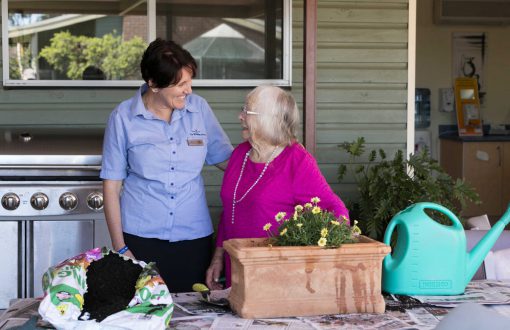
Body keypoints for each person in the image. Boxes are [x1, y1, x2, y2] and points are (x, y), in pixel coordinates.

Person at [100, 38, 233, 292]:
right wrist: (121, 247)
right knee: (141, 314)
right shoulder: (123, 118)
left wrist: (269, 161)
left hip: (194, 237)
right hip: (140, 238)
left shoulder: (199, 109)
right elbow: (111, 187)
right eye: (181, 84)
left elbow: (227, 160)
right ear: (153, 84)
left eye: (189, 82)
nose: (189, 90)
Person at [205, 85, 349, 289]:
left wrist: (319, 266)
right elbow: (231, 211)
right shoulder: (240, 155)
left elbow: (336, 210)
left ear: (269, 119)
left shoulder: (297, 161)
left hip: (278, 279)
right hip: (236, 271)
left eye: (247, 111)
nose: (240, 116)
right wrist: (218, 257)